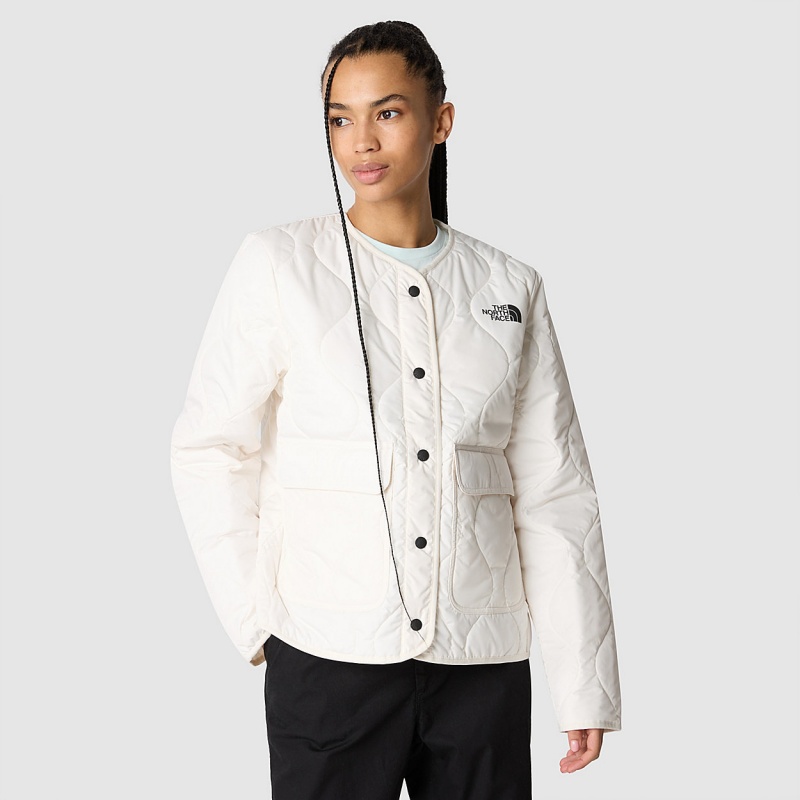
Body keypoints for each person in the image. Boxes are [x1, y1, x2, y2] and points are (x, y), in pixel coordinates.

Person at [170, 19, 622, 799]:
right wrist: (258, 620)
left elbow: (555, 491)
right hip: (327, 660)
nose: (362, 142)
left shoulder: (509, 287)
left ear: (441, 120)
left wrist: (583, 681)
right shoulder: (279, 265)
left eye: (388, 112)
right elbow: (210, 448)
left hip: (480, 666)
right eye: (339, 119)